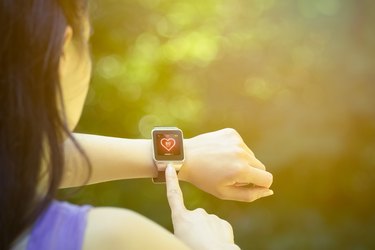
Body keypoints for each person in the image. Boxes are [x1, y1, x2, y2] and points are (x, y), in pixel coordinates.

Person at [0, 1, 274, 249]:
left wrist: (183, 155)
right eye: (88, 40)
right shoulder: (111, 238)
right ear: (62, 53)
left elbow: (24, 156)